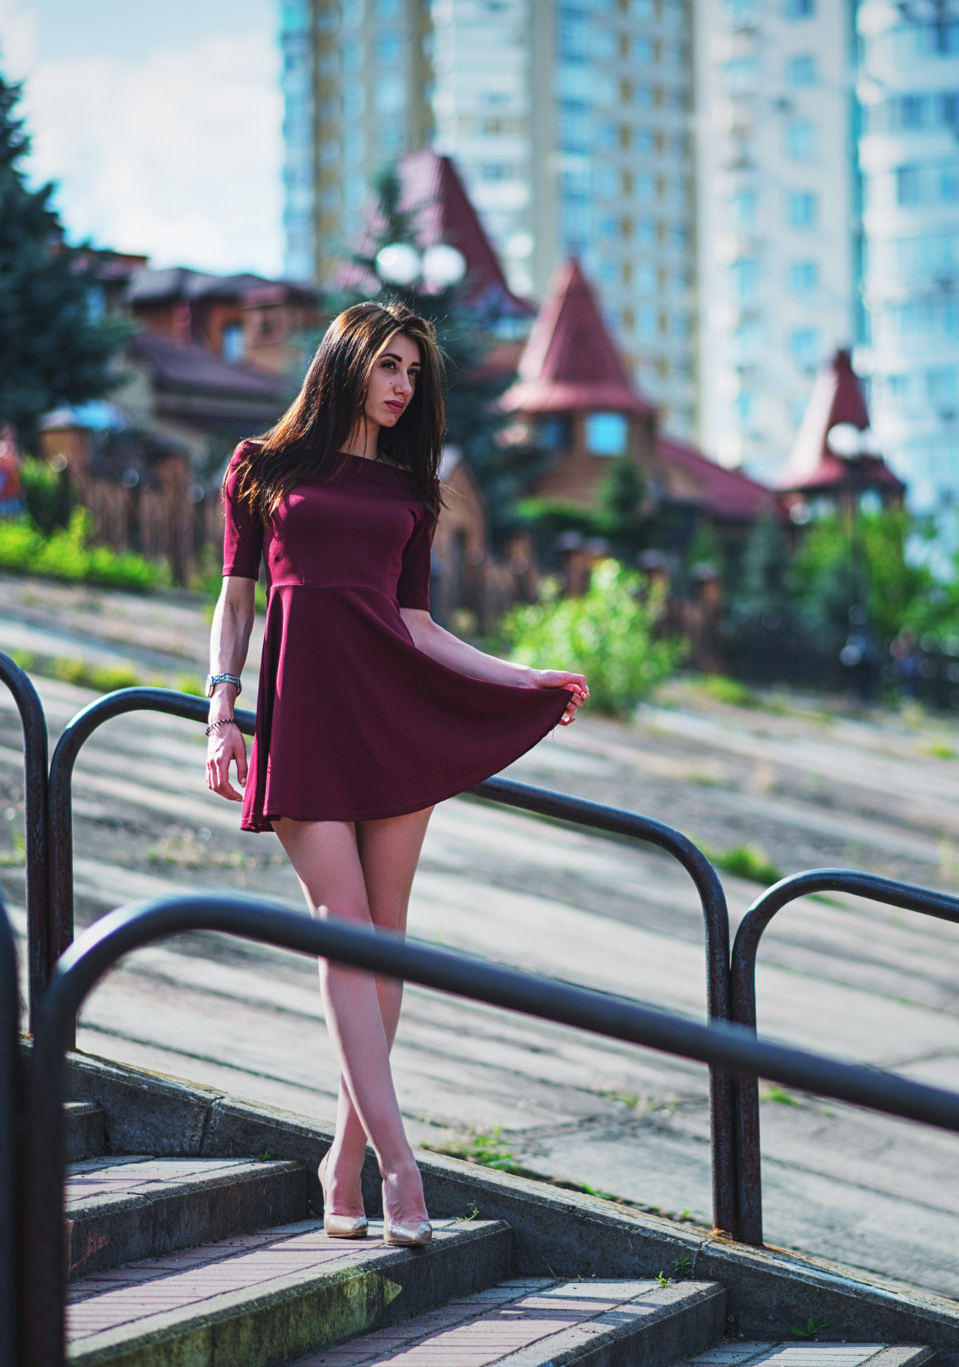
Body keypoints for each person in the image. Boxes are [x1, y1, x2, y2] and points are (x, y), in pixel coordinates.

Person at [201, 301, 587, 1248]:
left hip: (391, 716)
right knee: (346, 931)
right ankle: (401, 1168)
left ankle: (341, 1162)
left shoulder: (414, 495)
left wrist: (517, 676)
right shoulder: (262, 467)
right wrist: (220, 708)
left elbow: (414, 624)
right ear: (347, 364)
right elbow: (235, 599)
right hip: (302, 723)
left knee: (387, 945)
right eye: (389, 365)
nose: (405, 384)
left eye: (414, 370)